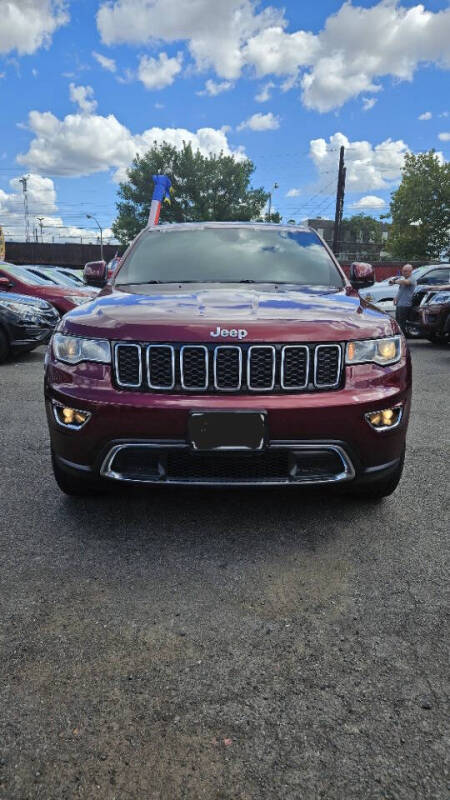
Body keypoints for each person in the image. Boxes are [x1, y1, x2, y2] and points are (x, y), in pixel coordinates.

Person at [389, 264, 416, 335]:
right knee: (398, 322)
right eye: (403, 271)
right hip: (400, 304)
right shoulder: (404, 279)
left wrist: (394, 281)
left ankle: (402, 338)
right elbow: (401, 290)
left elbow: (405, 282)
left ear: (410, 271)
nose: (403, 272)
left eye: (405, 271)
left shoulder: (412, 279)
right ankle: (400, 336)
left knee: (402, 324)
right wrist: (396, 297)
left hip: (405, 305)